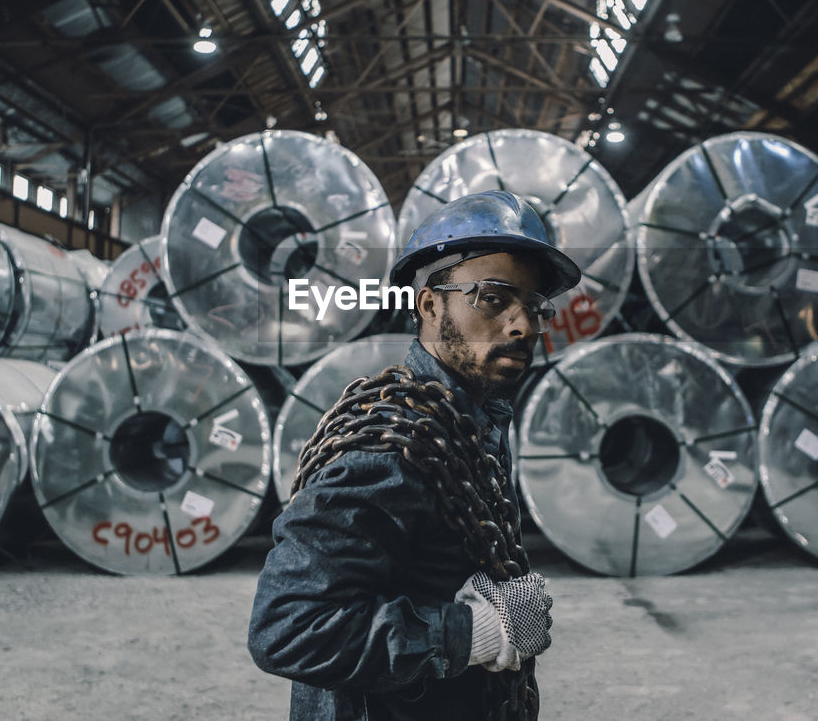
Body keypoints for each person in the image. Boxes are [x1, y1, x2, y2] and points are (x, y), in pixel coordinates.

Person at [248, 190, 581, 720]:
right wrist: (471, 632)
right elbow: (287, 627)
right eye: (493, 299)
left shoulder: (469, 425)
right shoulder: (390, 450)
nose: (524, 326)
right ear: (428, 305)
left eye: (534, 306)